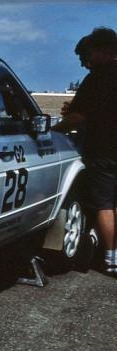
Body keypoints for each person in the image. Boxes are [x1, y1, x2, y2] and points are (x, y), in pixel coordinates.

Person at [54, 27, 117, 276]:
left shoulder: (98, 78)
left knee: (103, 204)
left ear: (103, 50)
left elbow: (79, 116)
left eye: (89, 54)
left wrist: (55, 129)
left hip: (102, 150)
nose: (87, 62)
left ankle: (110, 257)